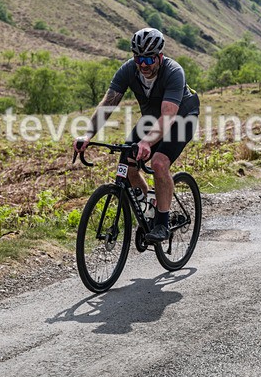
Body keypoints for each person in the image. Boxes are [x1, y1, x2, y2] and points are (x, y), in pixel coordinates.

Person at [76, 28, 200, 242]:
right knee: (128, 162)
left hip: (181, 117)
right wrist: (87, 135)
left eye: (148, 58)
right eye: (138, 58)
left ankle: (162, 222)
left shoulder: (173, 71)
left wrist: (147, 142)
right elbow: (108, 104)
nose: (143, 64)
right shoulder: (128, 70)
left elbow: (168, 117)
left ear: (159, 57)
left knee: (159, 163)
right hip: (152, 119)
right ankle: (149, 207)